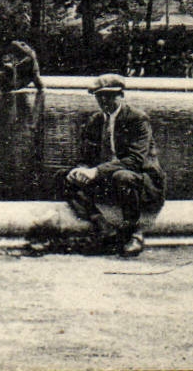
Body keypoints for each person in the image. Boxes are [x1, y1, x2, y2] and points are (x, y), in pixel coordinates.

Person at [59, 74, 166, 257]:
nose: (104, 101)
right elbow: (87, 156)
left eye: (109, 96)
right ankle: (105, 228)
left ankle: (133, 233)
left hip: (143, 179)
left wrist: (97, 171)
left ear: (121, 95)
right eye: (99, 96)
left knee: (122, 176)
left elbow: (135, 160)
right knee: (64, 177)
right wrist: (81, 169)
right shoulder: (96, 121)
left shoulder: (138, 119)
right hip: (109, 177)